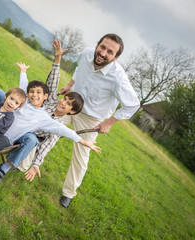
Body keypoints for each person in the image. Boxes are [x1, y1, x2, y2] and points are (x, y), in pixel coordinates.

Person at [0, 40, 101, 186]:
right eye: (65, 99)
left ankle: (4, 168)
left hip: (25, 132)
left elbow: (46, 145)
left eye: (68, 104)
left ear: (71, 111)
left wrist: (36, 164)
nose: (63, 103)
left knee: (32, 139)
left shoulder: (56, 125)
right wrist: (57, 59)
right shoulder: (52, 100)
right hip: (15, 113)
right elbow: (52, 81)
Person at [54, 33, 140, 208]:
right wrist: (70, 85)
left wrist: (108, 123)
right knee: (47, 129)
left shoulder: (118, 78)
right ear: (97, 45)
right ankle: (22, 163)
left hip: (91, 119)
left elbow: (133, 105)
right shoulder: (86, 53)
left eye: (110, 52)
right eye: (102, 47)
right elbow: (79, 69)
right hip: (70, 105)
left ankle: (68, 193)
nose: (103, 53)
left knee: (80, 157)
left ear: (115, 58)